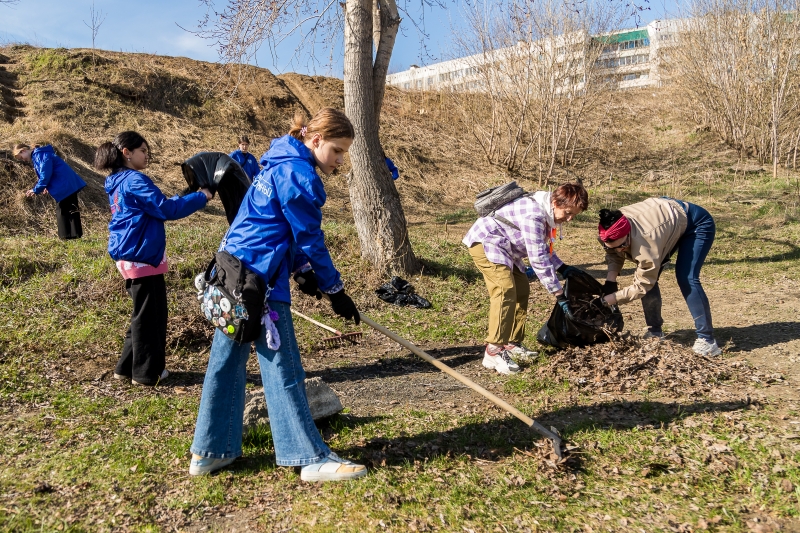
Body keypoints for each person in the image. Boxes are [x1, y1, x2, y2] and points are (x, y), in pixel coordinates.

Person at [189, 107, 366, 481]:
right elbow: (309, 239)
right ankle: (306, 456)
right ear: (315, 140)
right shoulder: (300, 175)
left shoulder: (277, 160)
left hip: (231, 272)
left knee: (225, 362)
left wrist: (302, 274)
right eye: (336, 150)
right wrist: (335, 289)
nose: (339, 161)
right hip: (259, 282)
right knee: (283, 366)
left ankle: (209, 451)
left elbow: (277, 225)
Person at [94, 131, 212, 386]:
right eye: (143, 151)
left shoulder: (117, 181)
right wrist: (202, 196)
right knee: (152, 318)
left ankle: (126, 367)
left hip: (131, 254)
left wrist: (187, 196)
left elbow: (157, 206)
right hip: (141, 256)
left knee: (142, 314)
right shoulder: (135, 180)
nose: (147, 156)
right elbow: (166, 209)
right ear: (127, 152)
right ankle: (148, 373)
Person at [463, 182, 589, 374]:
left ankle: (512, 343)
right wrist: (559, 294)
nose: (570, 219)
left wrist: (562, 267)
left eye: (574, 215)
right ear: (555, 202)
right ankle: (493, 350)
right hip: (486, 242)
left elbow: (541, 246)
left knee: (522, 289)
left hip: (506, 248)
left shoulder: (546, 211)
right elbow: (537, 258)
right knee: (504, 289)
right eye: (568, 213)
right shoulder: (535, 216)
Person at [593, 198, 721, 356]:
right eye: (612, 246)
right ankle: (655, 333)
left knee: (686, 277)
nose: (619, 251)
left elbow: (642, 285)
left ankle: (707, 340)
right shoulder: (608, 230)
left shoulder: (646, 244)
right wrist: (610, 281)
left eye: (622, 246)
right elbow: (614, 253)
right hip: (666, 219)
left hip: (695, 223)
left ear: (628, 236)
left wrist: (609, 300)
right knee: (650, 279)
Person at [13, 143, 87, 240]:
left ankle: (65, 236)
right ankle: (74, 235)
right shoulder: (40, 155)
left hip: (64, 184)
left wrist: (36, 189)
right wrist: (46, 186)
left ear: (23, 151)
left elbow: (45, 175)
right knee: (71, 208)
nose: (23, 160)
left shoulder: (39, 155)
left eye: (21, 157)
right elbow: (49, 172)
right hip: (66, 183)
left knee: (62, 210)